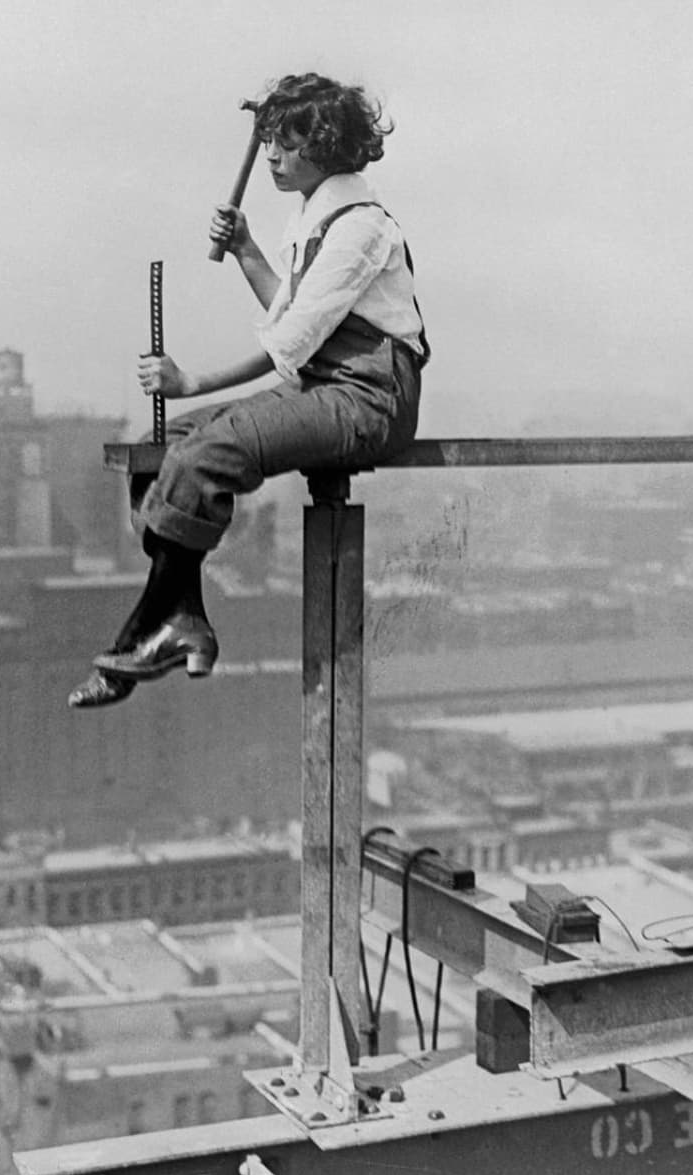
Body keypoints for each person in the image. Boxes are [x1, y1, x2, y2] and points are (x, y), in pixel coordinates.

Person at [69, 72, 428, 708]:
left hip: (370, 398)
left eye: (286, 145)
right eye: (267, 142)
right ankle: (184, 617)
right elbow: (292, 313)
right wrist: (245, 249)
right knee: (164, 448)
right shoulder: (317, 218)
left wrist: (191, 382)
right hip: (325, 387)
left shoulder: (360, 227)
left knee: (209, 452)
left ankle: (144, 635)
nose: (271, 157)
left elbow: (290, 341)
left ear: (325, 145)